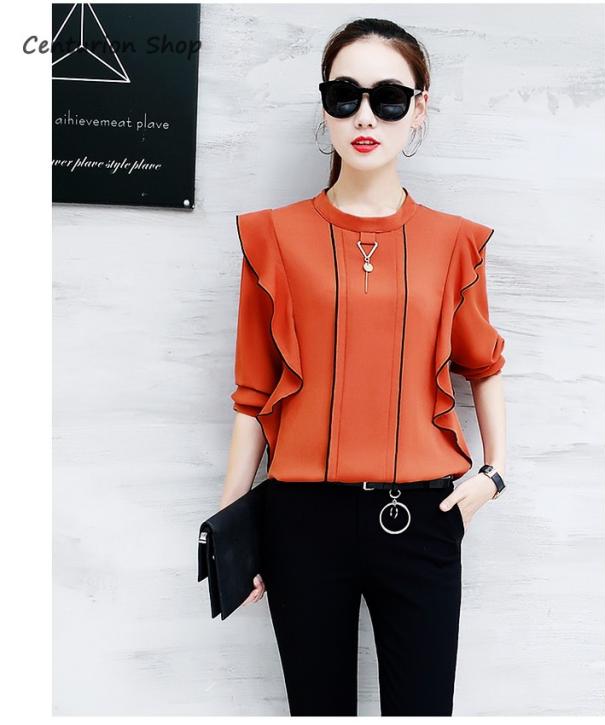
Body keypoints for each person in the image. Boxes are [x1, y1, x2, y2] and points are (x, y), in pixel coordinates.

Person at [218, 17, 508, 717]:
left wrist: (493, 475)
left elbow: (483, 363)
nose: (365, 116)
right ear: (324, 105)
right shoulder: (273, 237)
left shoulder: (453, 243)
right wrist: (233, 527)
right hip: (300, 521)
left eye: (389, 97)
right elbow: (253, 393)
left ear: (420, 107)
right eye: (345, 94)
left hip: (423, 516)